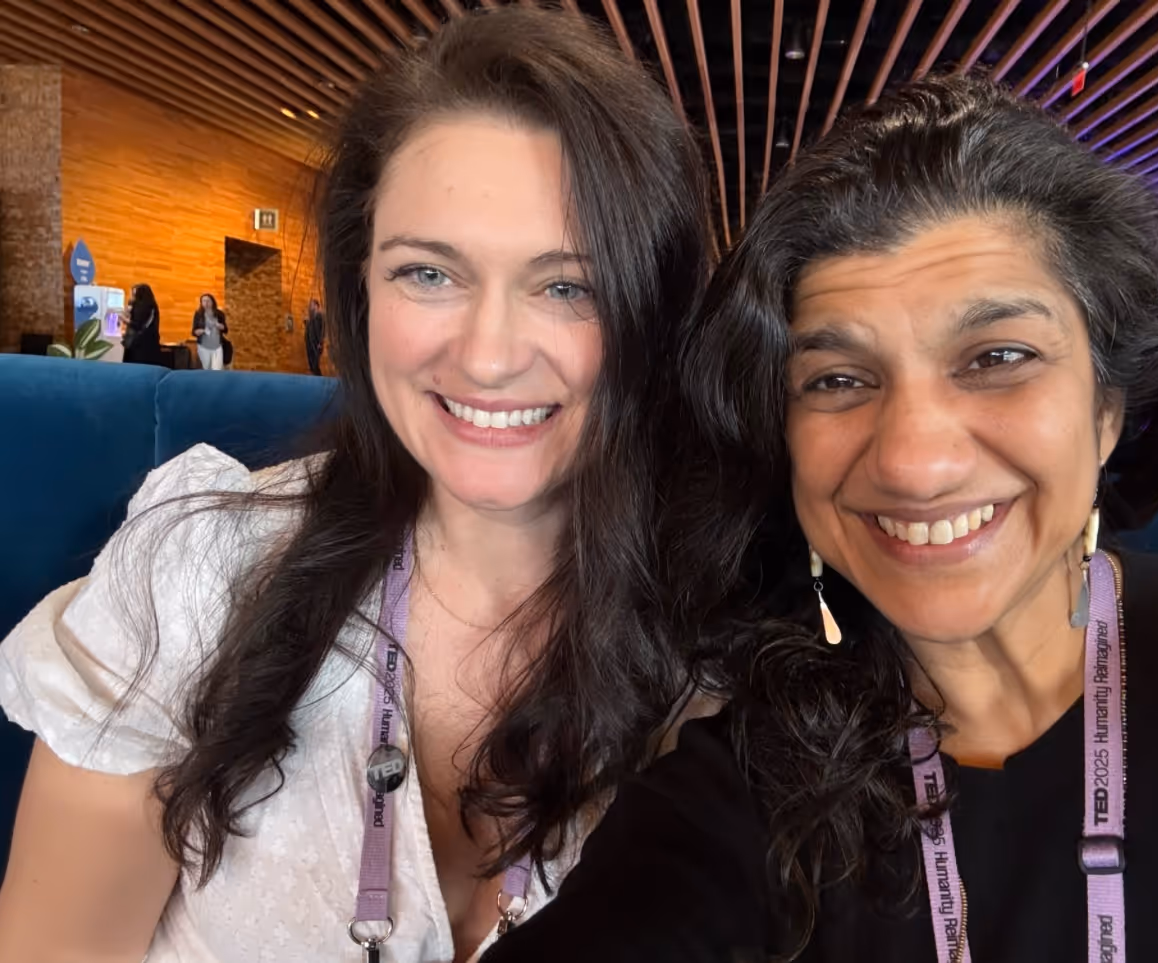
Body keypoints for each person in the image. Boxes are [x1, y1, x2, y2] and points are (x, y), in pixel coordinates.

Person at [480, 74, 1158, 963]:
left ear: (1106, 408)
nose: (912, 460)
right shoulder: (739, 794)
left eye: (996, 356)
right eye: (836, 380)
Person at [0, 8, 710, 962]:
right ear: (358, 291)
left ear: (653, 320)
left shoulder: (726, 648)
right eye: (428, 272)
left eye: (567, 286)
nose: (489, 355)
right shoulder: (201, 572)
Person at [122, 282, 162, 366]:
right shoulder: (150, 306)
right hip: (149, 344)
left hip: (141, 345)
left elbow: (138, 324)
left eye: (134, 294)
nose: (132, 297)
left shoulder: (144, 307)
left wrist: (125, 320)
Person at [192, 293, 229, 370]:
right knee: (206, 368)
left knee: (217, 369)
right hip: (203, 346)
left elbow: (225, 329)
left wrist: (220, 326)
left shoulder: (219, 314)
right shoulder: (198, 314)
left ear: (213, 302)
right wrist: (201, 331)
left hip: (217, 346)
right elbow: (194, 331)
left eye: (208, 301)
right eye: (204, 301)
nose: (206, 303)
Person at [305, 298, 325, 375]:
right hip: (311, 342)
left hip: (317, 343)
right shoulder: (312, 318)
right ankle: (315, 377)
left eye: (312, 305)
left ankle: (319, 379)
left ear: (316, 306)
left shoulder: (320, 315)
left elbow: (322, 329)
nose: (311, 307)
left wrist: (320, 342)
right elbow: (311, 330)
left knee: (315, 364)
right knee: (311, 362)